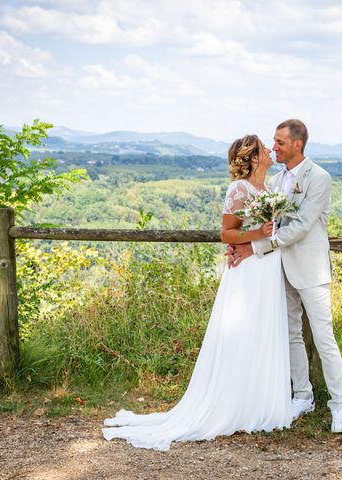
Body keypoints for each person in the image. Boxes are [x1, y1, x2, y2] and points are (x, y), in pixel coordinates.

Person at [103, 135, 291, 451]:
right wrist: (258, 233)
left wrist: (263, 237)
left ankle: (258, 402)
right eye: (265, 147)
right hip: (247, 273)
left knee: (263, 331)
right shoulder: (239, 190)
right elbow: (227, 232)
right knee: (242, 334)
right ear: (254, 157)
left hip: (267, 268)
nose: (271, 150)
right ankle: (233, 405)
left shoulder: (269, 189)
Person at [228, 119, 342, 433]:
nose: (275, 147)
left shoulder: (319, 178)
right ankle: (302, 395)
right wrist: (249, 245)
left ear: (297, 144)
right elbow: (272, 223)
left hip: (310, 270)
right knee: (292, 335)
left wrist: (253, 248)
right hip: (279, 270)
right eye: (273, 142)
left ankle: (340, 407)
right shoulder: (277, 180)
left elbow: (299, 227)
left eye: (280, 142)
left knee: (324, 339)